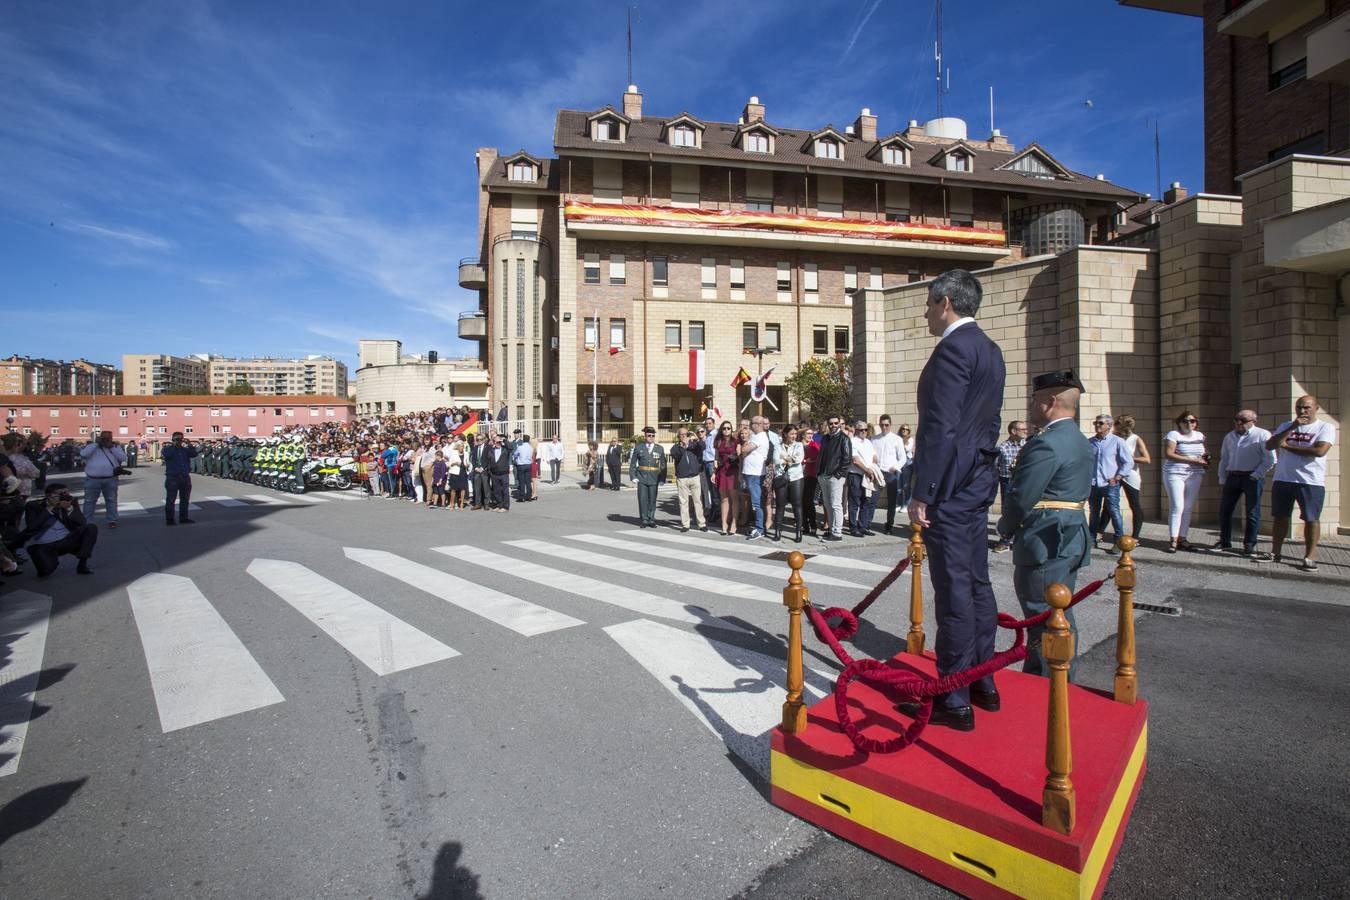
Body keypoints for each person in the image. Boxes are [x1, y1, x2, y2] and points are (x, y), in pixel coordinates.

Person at [904, 269, 1005, 732]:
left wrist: (924, 493)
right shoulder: (990, 349)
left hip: (948, 487)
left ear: (945, 301)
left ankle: (954, 696)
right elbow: (987, 426)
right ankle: (983, 680)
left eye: (928, 303)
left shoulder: (951, 350)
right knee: (978, 583)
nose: (925, 311)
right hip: (976, 480)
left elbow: (940, 429)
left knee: (954, 592)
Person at [996, 371, 1093, 681]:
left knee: (1042, 614)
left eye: (1035, 398)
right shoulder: (1078, 439)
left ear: (1051, 401)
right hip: (1069, 533)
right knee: (1060, 613)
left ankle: (1047, 684)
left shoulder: (1047, 443)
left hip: (1045, 536)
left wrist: (1005, 527)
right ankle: (1058, 679)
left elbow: (1023, 496)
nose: (1032, 404)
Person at [1266, 395, 1336, 571]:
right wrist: (1294, 426)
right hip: (1283, 479)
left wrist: (1287, 447)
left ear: (1316, 408)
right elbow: (1270, 445)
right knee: (1280, 517)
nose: (1302, 411)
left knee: (1311, 519)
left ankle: (1310, 557)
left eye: (1306, 407)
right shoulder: (1286, 426)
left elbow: (1319, 451)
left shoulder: (1325, 427)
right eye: (1299, 407)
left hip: (1310, 481)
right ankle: (1275, 552)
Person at [1212, 409, 1275, 558]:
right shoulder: (1229, 436)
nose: (1239, 423)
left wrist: (1256, 474)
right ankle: (1225, 541)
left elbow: (1270, 459)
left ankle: (1249, 544)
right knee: (1225, 511)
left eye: (1243, 420)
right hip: (1233, 476)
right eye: (1237, 419)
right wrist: (1222, 477)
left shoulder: (1262, 435)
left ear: (1253, 421)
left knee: (1252, 512)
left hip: (1252, 477)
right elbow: (1224, 458)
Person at [12, 483, 98, 576]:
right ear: (49, 496)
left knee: (90, 528)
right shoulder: (34, 505)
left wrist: (69, 508)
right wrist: (50, 508)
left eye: (66, 493)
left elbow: (82, 522)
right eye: (60, 494)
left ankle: (82, 564)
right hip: (43, 544)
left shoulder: (70, 502)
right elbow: (32, 527)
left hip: (65, 540)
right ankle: (47, 559)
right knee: (45, 572)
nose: (65, 496)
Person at [1162, 411, 1208, 553]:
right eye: (1185, 421)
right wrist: (1193, 460)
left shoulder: (1199, 436)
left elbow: (1202, 452)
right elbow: (1169, 454)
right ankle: (1173, 539)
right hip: (1174, 473)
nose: (1189, 424)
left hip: (1195, 473)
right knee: (1177, 506)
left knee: (1188, 507)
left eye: (1192, 421)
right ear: (1179, 423)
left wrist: (1205, 458)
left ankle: (1183, 538)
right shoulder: (1173, 435)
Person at [1088, 414, 1133, 555]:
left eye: (1100, 423)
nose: (1097, 425)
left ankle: (1119, 541)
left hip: (1110, 483)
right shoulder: (1090, 442)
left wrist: (1118, 477)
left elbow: (1128, 462)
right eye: (1096, 422)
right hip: (1094, 483)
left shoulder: (1117, 441)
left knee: (1114, 511)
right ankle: (1092, 538)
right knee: (1094, 512)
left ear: (1109, 425)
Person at [992, 421, 1029, 552]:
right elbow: (995, 468)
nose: (1026, 431)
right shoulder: (1002, 448)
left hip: (1025, 482)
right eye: (1022, 429)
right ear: (1013, 431)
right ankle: (1005, 541)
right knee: (1007, 512)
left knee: (1025, 511)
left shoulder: (1028, 446)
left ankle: (1022, 541)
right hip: (1007, 482)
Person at [1114, 414, 1151, 541]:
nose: (1114, 426)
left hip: (1131, 474)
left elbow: (1146, 459)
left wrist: (1129, 459)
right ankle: (1100, 532)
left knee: (1134, 504)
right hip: (1115, 474)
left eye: (1117, 423)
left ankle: (1135, 536)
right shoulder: (1114, 438)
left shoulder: (1135, 439)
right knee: (1111, 503)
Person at [79, 431, 126, 529]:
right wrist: (96, 444)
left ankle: (112, 520)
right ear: (100, 437)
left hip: (110, 479)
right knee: (89, 501)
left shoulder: (115, 447)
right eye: (104, 438)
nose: (106, 440)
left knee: (111, 500)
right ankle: (87, 521)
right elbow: (83, 454)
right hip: (92, 479)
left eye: (108, 438)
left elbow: (123, 458)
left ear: (111, 438)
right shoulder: (92, 446)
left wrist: (111, 447)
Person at [816, 416, 852, 542]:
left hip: (835, 476)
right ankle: (831, 529)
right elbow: (822, 456)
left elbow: (847, 460)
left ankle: (837, 532)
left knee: (836, 504)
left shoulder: (844, 439)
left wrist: (838, 474)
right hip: (824, 475)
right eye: (831, 423)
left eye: (836, 423)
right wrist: (819, 473)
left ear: (839, 424)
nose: (833, 425)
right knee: (827, 504)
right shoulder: (825, 438)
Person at [871, 415, 908, 536]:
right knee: (873, 498)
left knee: (892, 501)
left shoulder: (897, 439)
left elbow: (903, 458)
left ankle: (889, 525)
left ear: (890, 425)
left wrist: (895, 467)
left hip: (891, 472)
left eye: (886, 425)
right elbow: (870, 454)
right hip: (879, 471)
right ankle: (866, 523)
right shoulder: (875, 439)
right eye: (882, 425)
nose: (884, 427)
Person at [847, 420, 882, 536]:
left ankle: (862, 526)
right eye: (861, 429)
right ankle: (853, 528)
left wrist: (873, 468)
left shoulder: (868, 442)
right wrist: (867, 470)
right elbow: (855, 460)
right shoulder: (852, 441)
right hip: (856, 474)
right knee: (854, 502)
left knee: (866, 501)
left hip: (867, 476)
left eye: (865, 429)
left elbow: (874, 457)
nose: (863, 432)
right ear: (856, 430)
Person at [670, 427, 707, 532]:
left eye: (686, 434)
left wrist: (696, 439)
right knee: (683, 502)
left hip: (695, 476)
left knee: (698, 501)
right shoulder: (675, 448)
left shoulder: (694, 445)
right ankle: (685, 524)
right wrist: (684, 446)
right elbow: (677, 456)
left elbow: (702, 447)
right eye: (681, 435)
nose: (684, 436)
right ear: (678, 436)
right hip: (682, 478)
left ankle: (702, 523)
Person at [774, 423, 806, 543]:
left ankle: (798, 531)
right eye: (791, 434)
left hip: (795, 477)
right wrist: (787, 459)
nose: (793, 436)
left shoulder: (798, 445)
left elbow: (798, 459)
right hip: (781, 477)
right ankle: (778, 531)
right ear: (785, 434)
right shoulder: (778, 446)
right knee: (780, 505)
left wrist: (784, 458)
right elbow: (776, 459)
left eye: (795, 434)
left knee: (797, 505)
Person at [739, 418, 770, 540]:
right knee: (756, 502)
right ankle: (758, 526)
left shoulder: (759, 437)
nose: (750, 425)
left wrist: (745, 448)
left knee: (757, 502)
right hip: (751, 472)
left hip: (755, 473)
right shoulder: (755, 436)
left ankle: (760, 528)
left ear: (758, 425)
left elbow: (744, 449)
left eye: (752, 423)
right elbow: (744, 449)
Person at [630, 426, 667, 528]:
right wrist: (633, 476)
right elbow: (633, 463)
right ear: (645, 436)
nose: (651, 437)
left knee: (652, 499)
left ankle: (651, 519)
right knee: (642, 499)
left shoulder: (659, 448)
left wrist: (662, 479)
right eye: (649, 435)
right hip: (641, 477)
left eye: (652, 436)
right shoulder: (639, 447)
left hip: (654, 477)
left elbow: (663, 465)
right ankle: (644, 519)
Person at [161, 431, 199, 525]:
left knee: (185, 499)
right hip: (172, 477)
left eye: (181, 439)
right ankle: (170, 520)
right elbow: (168, 455)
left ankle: (184, 518)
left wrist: (189, 444)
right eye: (177, 439)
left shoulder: (185, 450)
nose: (179, 441)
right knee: (171, 499)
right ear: (173, 439)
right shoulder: (167, 449)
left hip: (185, 477)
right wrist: (174, 444)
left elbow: (194, 454)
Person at [715, 422, 741, 535]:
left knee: (734, 497)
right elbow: (716, 458)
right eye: (724, 428)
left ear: (731, 429)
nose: (726, 430)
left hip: (733, 470)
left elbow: (740, 457)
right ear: (721, 430)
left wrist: (740, 473)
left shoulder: (736, 441)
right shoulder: (718, 442)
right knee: (724, 498)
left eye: (728, 428)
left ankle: (734, 523)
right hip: (722, 471)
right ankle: (724, 523)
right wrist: (713, 472)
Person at [485, 432, 512, 511]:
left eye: (499, 442)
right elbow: (488, 460)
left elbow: (511, 447)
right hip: (494, 473)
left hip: (503, 473)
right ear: (494, 442)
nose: (498, 443)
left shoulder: (505, 449)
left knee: (505, 490)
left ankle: (505, 506)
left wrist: (504, 440)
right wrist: (490, 470)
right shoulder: (491, 450)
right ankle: (499, 505)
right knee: (497, 491)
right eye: (496, 442)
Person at [700, 415, 720, 519]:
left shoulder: (716, 434)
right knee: (710, 489)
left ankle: (716, 511)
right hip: (706, 463)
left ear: (713, 424)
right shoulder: (707, 435)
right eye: (706, 424)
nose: (707, 425)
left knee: (714, 488)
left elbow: (716, 450)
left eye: (709, 423)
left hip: (712, 463)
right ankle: (713, 509)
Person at [469, 433, 491, 509]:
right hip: (476, 471)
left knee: (486, 488)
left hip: (484, 471)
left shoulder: (488, 448)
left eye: (481, 439)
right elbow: (473, 460)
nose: (479, 441)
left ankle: (486, 504)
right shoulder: (475, 448)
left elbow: (489, 459)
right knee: (477, 488)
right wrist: (475, 467)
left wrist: (483, 467)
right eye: (477, 440)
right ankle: (478, 503)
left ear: (484, 440)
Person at [512, 433, 535, 501]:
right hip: (528, 465)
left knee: (521, 481)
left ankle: (522, 497)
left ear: (523, 440)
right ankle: (529, 496)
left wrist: (516, 459)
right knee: (528, 481)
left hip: (521, 465)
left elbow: (515, 454)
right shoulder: (531, 448)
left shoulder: (520, 447)